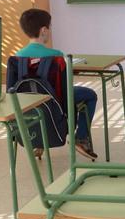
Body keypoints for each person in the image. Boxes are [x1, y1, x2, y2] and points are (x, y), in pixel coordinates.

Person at [16, 9, 98, 160]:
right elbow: (65, 86)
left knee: (40, 97)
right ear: (43, 30)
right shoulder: (56, 56)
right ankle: (80, 138)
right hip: (55, 102)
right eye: (50, 28)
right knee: (90, 95)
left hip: (28, 103)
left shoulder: (17, 57)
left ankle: (39, 142)